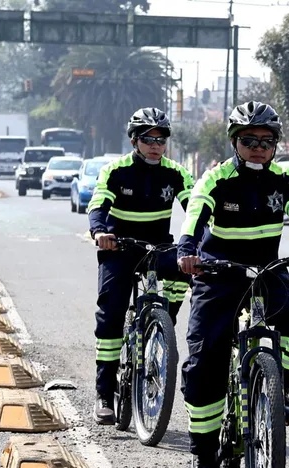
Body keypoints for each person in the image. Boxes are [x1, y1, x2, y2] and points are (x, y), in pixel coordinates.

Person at [177, 101, 289, 468]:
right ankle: (203, 451)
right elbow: (195, 214)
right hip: (220, 275)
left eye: (267, 141)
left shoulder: (284, 181)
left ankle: (280, 388)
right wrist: (186, 250)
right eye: (249, 140)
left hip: (266, 270)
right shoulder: (215, 179)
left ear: (276, 145)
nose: (258, 147)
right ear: (235, 141)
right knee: (204, 359)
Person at [87, 107, 195, 425]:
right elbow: (98, 203)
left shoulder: (176, 173)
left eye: (161, 139)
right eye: (148, 138)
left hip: (159, 249)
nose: (155, 145)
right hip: (119, 247)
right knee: (110, 312)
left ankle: (163, 325)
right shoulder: (115, 171)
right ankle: (105, 393)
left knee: (185, 269)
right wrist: (100, 231)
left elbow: (195, 208)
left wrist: (200, 240)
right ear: (135, 140)